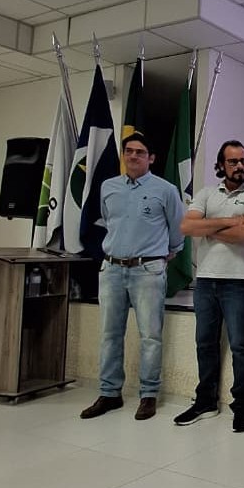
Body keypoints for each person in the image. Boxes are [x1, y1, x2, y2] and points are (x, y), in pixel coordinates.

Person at [80, 132, 184, 421]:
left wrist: (167, 252)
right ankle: (109, 393)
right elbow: (107, 220)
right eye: (129, 151)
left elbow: (178, 230)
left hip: (147, 271)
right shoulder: (108, 187)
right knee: (109, 335)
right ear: (123, 155)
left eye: (140, 152)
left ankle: (148, 394)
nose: (133, 156)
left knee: (150, 336)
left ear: (151, 158)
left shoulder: (166, 190)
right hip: (112, 269)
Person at [174, 140, 244, 433]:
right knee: (205, 343)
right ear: (220, 165)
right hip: (205, 280)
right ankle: (205, 401)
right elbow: (187, 227)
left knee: (240, 346)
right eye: (232, 161)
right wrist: (229, 221)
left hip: (238, 281)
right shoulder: (205, 194)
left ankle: (241, 407)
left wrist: (209, 226)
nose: (239, 166)